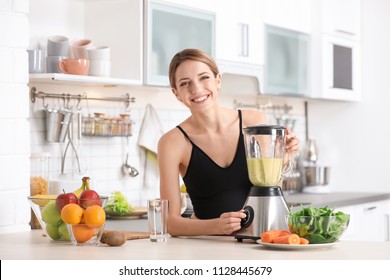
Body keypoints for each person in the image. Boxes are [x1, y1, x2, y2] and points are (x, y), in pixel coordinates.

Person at [158, 49, 300, 237]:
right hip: (210, 248)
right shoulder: (172, 142)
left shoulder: (254, 122)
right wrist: (216, 226)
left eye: (204, 77)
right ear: (176, 93)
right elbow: (169, 223)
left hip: (261, 240)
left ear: (218, 81)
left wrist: (282, 158)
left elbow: (271, 189)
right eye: (185, 83)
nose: (196, 89)